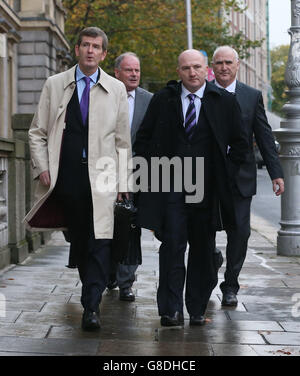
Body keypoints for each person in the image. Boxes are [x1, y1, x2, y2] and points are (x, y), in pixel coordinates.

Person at [24, 27, 131, 331]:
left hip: (104, 176)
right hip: (68, 175)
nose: (90, 51)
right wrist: (42, 166)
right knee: (81, 239)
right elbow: (37, 132)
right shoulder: (55, 84)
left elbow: (123, 141)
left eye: (96, 46)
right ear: (77, 49)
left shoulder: (116, 89)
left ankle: (91, 305)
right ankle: (91, 291)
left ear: (104, 54)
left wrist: (124, 183)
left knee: (100, 240)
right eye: (85, 45)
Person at [134, 49, 249, 326]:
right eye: (186, 68)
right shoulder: (164, 99)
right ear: (178, 71)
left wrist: (224, 174)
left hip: (206, 189)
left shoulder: (223, 101)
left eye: (197, 67)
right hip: (170, 186)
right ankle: (171, 309)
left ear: (206, 69)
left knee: (202, 248)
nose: (192, 73)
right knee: (172, 246)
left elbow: (241, 144)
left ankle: (197, 308)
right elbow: (143, 139)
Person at [211, 45, 284, 307]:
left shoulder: (252, 97)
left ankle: (230, 285)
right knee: (203, 230)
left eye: (228, 62)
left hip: (241, 177)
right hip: (208, 178)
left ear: (237, 65)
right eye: (219, 62)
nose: (224, 67)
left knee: (240, 233)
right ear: (213, 66)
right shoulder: (204, 94)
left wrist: (276, 173)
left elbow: (264, 135)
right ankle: (211, 263)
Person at [107, 52, 152, 302]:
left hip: (138, 173)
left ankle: (126, 281)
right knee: (107, 225)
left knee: (131, 226)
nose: (134, 74)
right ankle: (110, 272)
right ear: (117, 72)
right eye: (129, 70)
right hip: (105, 171)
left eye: (137, 70)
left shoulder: (149, 101)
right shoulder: (105, 96)